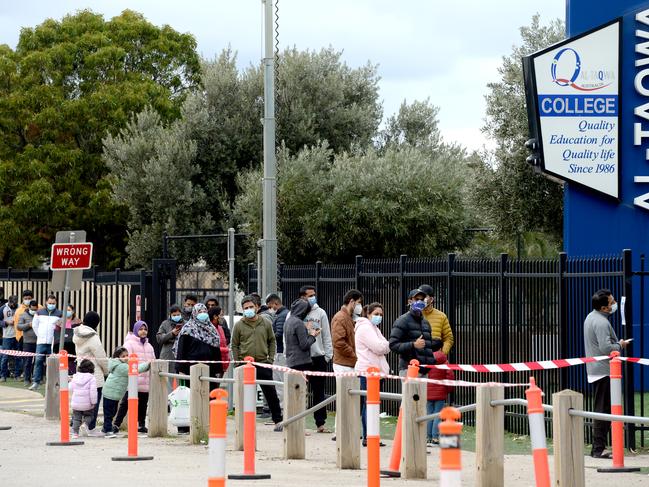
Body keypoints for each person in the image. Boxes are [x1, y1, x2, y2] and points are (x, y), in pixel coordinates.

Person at [584, 289, 631, 458]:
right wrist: (620, 345)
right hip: (604, 369)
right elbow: (605, 348)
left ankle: (598, 447)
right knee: (603, 410)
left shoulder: (591, 317)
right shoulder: (602, 323)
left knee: (602, 408)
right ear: (604, 308)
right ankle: (598, 448)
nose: (614, 304)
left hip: (596, 369)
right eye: (612, 303)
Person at [231, 295, 282, 430]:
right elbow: (234, 344)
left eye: (251, 307)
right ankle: (241, 423)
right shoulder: (239, 325)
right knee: (243, 395)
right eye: (245, 308)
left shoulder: (265, 323)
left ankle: (278, 420)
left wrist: (270, 360)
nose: (248, 310)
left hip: (262, 363)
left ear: (257, 307)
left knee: (270, 393)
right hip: (244, 365)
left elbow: (272, 341)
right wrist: (237, 362)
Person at [355, 302, 390, 446]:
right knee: (368, 404)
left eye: (381, 314)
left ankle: (371, 435)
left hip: (376, 371)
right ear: (368, 314)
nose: (379, 317)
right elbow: (380, 347)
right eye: (376, 314)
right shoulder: (365, 328)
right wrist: (386, 345)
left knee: (372, 405)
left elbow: (385, 346)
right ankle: (368, 436)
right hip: (368, 371)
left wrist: (385, 346)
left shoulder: (374, 328)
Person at [299, 285, 333, 433]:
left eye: (314, 295)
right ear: (302, 297)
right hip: (301, 358)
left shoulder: (321, 313)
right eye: (309, 295)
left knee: (319, 391)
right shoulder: (296, 313)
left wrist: (327, 355)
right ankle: (299, 423)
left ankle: (320, 423)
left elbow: (326, 335)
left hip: (318, 357)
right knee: (299, 390)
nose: (312, 298)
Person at [113, 321, 156, 434]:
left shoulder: (149, 346)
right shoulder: (129, 344)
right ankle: (116, 424)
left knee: (143, 404)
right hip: (133, 380)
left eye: (145, 329)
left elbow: (153, 361)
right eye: (141, 329)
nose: (143, 331)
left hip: (145, 380)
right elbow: (125, 360)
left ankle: (141, 424)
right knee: (125, 403)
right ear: (136, 330)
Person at [73, 311, 108, 435]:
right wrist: (106, 370)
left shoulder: (77, 333)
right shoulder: (92, 337)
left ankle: (77, 425)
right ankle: (90, 427)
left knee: (81, 400)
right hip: (94, 373)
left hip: (80, 370)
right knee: (94, 402)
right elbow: (100, 356)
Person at [102, 347, 150, 438]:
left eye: (127, 355)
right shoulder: (121, 366)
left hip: (114, 394)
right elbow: (136, 369)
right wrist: (148, 364)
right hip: (110, 393)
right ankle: (108, 430)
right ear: (118, 357)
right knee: (109, 413)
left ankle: (105, 428)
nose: (126, 357)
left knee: (112, 412)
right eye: (123, 356)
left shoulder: (121, 364)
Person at [389, 289, 440, 375]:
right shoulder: (402, 320)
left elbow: (425, 346)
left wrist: (435, 344)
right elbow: (393, 345)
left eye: (422, 299)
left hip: (424, 370)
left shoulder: (425, 323)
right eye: (417, 299)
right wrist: (413, 345)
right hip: (409, 369)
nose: (420, 302)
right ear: (410, 301)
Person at [175, 304, 223, 388]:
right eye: (200, 312)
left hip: (209, 371)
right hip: (190, 372)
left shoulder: (212, 330)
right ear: (194, 313)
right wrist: (181, 370)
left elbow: (216, 351)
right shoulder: (187, 329)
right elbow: (181, 351)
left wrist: (218, 370)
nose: (203, 313)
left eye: (205, 311)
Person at [30, 294, 63, 390]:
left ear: (56, 303)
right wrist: (39, 335)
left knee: (52, 363)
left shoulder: (59, 313)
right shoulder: (39, 312)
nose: (51, 304)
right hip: (40, 342)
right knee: (38, 361)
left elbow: (61, 327)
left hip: (53, 343)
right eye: (50, 303)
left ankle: (52, 383)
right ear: (46, 302)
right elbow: (34, 325)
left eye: (53, 303)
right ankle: (36, 382)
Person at [331, 289, 364, 373]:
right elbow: (338, 342)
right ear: (352, 301)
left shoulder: (351, 318)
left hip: (350, 363)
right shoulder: (340, 318)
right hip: (343, 365)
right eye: (359, 302)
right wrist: (354, 355)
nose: (360, 306)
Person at [426, 350, 454, 446]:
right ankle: (435, 437)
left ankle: (428, 436)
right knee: (438, 414)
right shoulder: (444, 361)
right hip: (440, 391)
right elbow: (450, 376)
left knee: (429, 414)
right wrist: (448, 390)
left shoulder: (427, 359)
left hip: (428, 392)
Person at [266, 294, 288, 408]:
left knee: (279, 384)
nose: (270, 309)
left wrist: (267, 338)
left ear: (275, 303)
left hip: (280, 353)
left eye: (270, 306)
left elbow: (278, 334)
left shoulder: (281, 316)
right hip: (282, 353)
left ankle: (282, 410)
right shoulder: (284, 314)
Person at [419, 284, 454, 356]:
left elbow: (448, 339)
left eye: (424, 296)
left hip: (435, 360)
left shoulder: (441, 316)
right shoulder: (410, 316)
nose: (421, 299)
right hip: (415, 359)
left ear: (431, 299)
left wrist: (442, 354)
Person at [284, 299, 319, 370]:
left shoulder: (288, 321)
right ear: (303, 311)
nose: (307, 314)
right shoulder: (299, 323)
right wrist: (312, 335)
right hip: (301, 362)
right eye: (307, 312)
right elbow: (304, 345)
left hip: (291, 361)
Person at [69, 359, 98, 438]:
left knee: (76, 418)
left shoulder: (75, 377)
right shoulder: (92, 378)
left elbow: (70, 388)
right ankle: (85, 424)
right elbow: (93, 392)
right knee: (89, 416)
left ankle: (75, 433)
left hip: (76, 403)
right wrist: (94, 402)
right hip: (87, 403)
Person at [12, 289, 34, 379]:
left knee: (36, 358)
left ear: (32, 298)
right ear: (23, 299)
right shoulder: (19, 311)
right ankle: (26, 375)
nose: (27, 300)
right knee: (26, 358)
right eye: (26, 298)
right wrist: (18, 337)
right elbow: (17, 325)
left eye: (29, 298)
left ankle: (35, 375)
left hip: (37, 338)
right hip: (22, 338)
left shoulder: (39, 307)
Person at [54, 304, 82, 374]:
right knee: (62, 364)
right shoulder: (59, 321)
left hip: (73, 347)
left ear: (73, 311)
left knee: (72, 364)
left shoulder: (78, 322)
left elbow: (80, 334)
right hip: (61, 346)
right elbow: (56, 334)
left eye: (69, 310)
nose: (67, 312)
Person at [17, 300, 39, 386]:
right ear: (29, 307)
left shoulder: (39, 315)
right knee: (27, 361)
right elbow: (19, 327)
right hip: (27, 342)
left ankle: (37, 378)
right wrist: (28, 325)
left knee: (38, 361)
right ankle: (26, 379)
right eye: (32, 309)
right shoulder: (23, 315)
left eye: (35, 309)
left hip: (38, 342)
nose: (34, 311)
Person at [0, 296, 19, 382]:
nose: (13, 306)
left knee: (18, 356)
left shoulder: (19, 307)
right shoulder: (3, 308)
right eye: (12, 304)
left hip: (18, 335)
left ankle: (17, 375)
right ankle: (3, 376)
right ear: (9, 302)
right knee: (5, 356)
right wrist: (6, 322)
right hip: (7, 336)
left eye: (15, 304)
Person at [209, 307, 230, 373]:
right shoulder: (208, 329)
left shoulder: (220, 328)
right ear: (215, 316)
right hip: (213, 364)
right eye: (221, 315)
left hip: (222, 363)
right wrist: (225, 350)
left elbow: (224, 344)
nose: (222, 317)